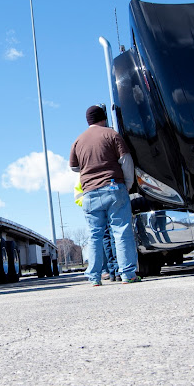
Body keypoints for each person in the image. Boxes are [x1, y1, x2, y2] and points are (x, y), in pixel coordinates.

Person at [69, 105, 139, 286]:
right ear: (103, 118)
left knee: (94, 236)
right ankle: (128, 274)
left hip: (90, 193)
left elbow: (74, 167)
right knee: (121, 232)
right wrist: (128, 184)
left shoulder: (78, 141)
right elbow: (125, 161)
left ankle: (94, 278)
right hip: (113, 187)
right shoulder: (112, 134)